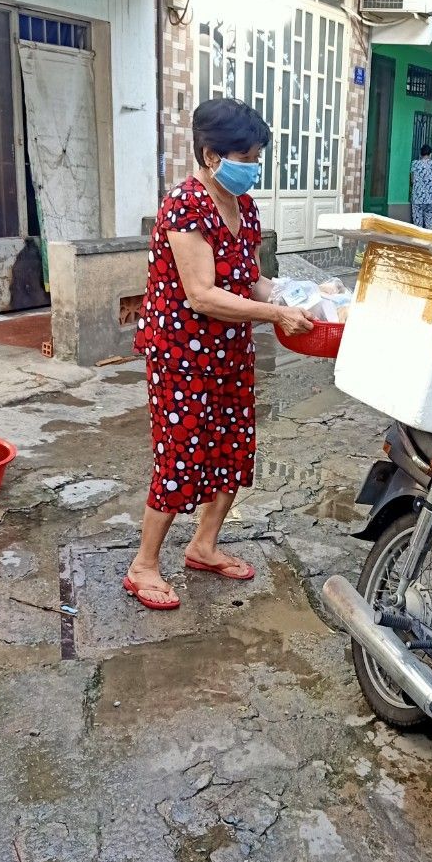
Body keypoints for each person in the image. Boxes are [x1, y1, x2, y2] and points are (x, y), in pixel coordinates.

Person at [125, 98, 313, 610]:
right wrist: (275, 316)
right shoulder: (184, 205)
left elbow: (251, 279)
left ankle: (204, 546)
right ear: (212, 155)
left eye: (257, 158)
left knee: (233, 447)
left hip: (229, 351)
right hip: (180, 354)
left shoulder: (243, 207)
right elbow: (202, 294)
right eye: (245, 157)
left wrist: (302, 299)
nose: (253, 167)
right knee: (181, 454)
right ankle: (143, 565)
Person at [409, 143, 432, 230]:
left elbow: (412, 181)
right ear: (430, 154)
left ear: (420, 154)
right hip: (431, 199)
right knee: (430, 225)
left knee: (417, 225)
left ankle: (417, 238)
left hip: (417, 198)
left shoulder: (414, 164)